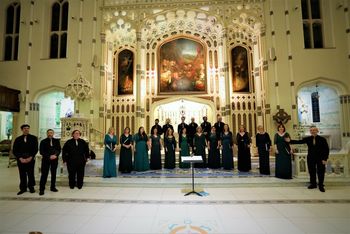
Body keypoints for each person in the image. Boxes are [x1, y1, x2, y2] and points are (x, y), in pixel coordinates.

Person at [290, 126, 329, 192]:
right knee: (312, 171)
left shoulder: (322, 139)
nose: (313, 131)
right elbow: (300, 142)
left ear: (317, 131)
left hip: (320, 158)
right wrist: (290, 141)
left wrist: (325, 159)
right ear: (310, 131)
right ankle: (313, 184)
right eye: (311, 130)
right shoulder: (308, 138)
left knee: (321, 172)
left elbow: (326, 150)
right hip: (311, 157)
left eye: (314, 130)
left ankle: (321, 185)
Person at [13, 124, 38, 195]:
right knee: (22, 174)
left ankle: (31, 187)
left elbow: (35, 149)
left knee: (30, 173)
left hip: (30, 159)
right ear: (22, 130)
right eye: (25, 128)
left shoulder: (33, 138)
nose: (26, 129)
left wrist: (30, 157)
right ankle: (23, 188)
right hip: (21, 159)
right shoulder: (18, 139)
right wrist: (20, 158)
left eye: (28, 128)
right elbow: (15, 150)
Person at [39, 129, 61, 195]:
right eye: (48, 133)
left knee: (53, 174)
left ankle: (53, 187)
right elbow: (41, 151)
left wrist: (55, 155)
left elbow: (59, 150)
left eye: (51, 133)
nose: (50, 134)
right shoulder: (43, 141)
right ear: (47, 133)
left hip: (54, 160)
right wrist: (49, 156)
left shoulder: (56, 141)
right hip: (46, 160)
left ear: (53, 133)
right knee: (44, 175)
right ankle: (42, 189)